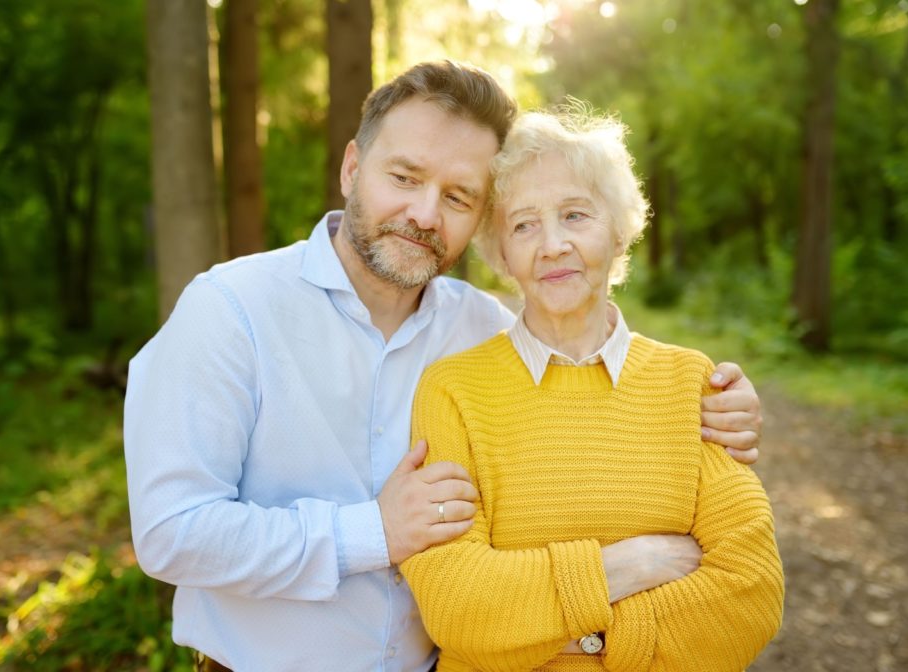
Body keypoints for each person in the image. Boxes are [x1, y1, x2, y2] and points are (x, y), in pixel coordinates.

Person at [123, 61, 765, 672]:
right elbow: (171, 532)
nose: (425, 214)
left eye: (458, 196)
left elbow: (592, 354)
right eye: (404, 177)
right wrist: (371, 531)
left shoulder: (483, 331)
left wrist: (717, 399)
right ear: (352, 167)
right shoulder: (233, 309)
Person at [400, 109, 784, 671]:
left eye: (575, 215)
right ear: (502, 253)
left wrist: (574, 642)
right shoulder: (452, 391)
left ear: (620, 228)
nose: (552, 245)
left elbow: (751, 595)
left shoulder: (691, 384)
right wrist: (628, 566)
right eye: (524, 225)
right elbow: (457, 605)